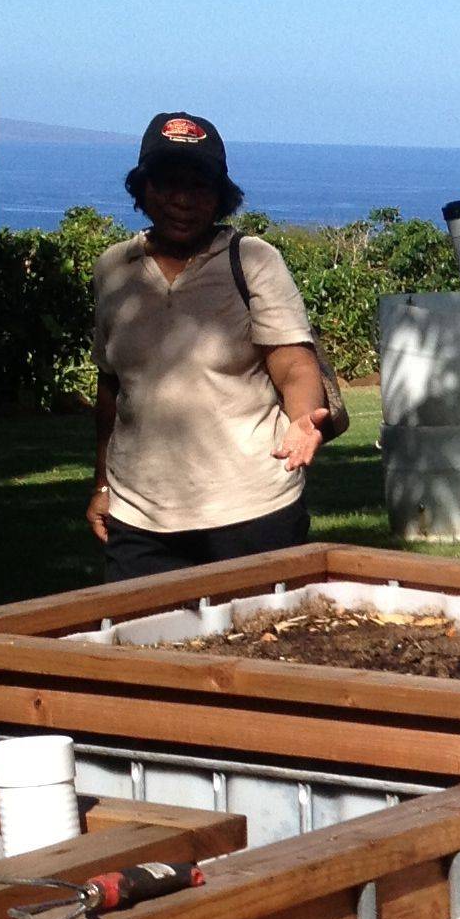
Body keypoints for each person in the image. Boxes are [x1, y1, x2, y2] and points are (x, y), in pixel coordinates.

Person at [87, 112, 333, 580]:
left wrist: (303, 418)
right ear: (143, 190)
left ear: (221, 197)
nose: (182, 200)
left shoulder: (254, 260)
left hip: (251, 507)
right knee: (140, 648)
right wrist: (102, 485)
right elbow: (113, 387)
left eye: (198, 187)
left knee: (263, 642)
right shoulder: (114, 268)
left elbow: (293, 364)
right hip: (140, 516)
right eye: (167, 184)